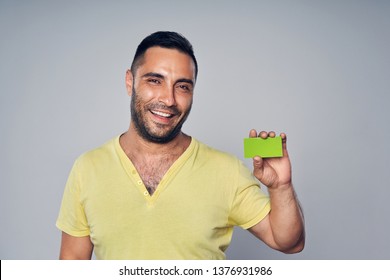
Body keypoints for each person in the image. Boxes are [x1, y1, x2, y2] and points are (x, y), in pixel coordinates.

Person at [56, 31, 305, 260]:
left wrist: (281, 186)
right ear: (130, 82)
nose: (169, 99)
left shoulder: (225, 170)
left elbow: (288, 242)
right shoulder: (88, 168)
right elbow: (72, 262)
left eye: (183, 86)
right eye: (155, 81)